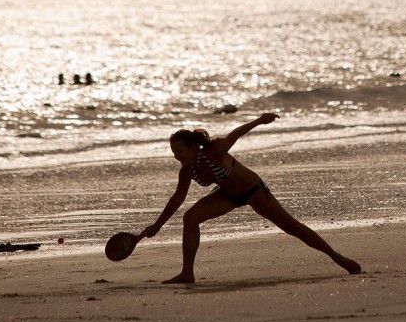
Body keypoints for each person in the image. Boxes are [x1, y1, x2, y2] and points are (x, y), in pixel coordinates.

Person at [140, 112, 361, 284]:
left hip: (254, 191)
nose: (177, 157)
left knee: (292, 227)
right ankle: (187, 272)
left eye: (180, 152)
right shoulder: (186, 171)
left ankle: (337, 257)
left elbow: (236, 133)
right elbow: (177, 199)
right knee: (190, 217)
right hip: (227, 195)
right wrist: (157, 225)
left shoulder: (214, 150)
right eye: (174, 154)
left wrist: (260, 120)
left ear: (193, 147)